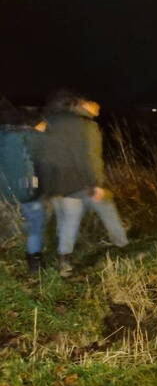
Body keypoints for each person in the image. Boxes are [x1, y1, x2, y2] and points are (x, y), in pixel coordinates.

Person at [37, 90, 128, 276]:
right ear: (75, 105)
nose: (94, 107)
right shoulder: (81, 125)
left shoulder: (47, 122)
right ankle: (120, 245)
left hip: (52, 183)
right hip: (75, 182)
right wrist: (94, 184)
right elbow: (86, 157)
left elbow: (38, 153)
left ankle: (63, 260)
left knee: (65, 219)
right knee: (75, 217)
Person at [0, 106, 48, 273]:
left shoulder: (2, 135)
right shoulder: (30, 137)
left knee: (7, 225)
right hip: (27, 190)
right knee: (35, 224)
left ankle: (7, 257)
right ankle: (34, 262)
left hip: (4, 192)